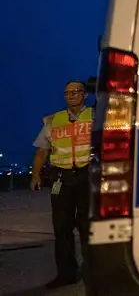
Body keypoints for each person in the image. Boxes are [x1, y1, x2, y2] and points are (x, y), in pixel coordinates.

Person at [31, 80, 94, 289]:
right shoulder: (53, 120)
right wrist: (35, 175)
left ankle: (92, 270)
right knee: (61, 227)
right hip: (61, 178)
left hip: (88, 176)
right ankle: (66, 273)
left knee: (88, 226)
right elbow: (42, 151)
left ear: (85, 95)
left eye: (76, 91)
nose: (72, 95)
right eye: (67, 92)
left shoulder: (96, 116)